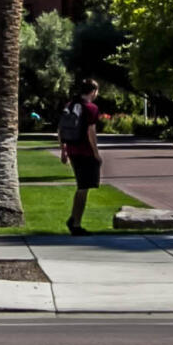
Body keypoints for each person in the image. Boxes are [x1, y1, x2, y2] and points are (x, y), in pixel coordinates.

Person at [55, 77, 107, 234]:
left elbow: (60, 129)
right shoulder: (91, 108)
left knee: (82, 186)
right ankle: (75, 224)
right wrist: (96, 154)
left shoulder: (70, 105)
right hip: (85, 152)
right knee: (83, 188)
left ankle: (74, 219)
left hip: (72, 151)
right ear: (93, 91)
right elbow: (91, 132)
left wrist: (63, 150)